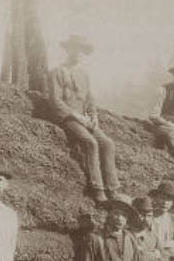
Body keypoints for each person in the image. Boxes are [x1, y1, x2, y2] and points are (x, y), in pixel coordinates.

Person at [48, 35, 120, 204]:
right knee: (90, 143)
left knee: (108, 144)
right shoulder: (57, 72)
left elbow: (89, 99)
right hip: (67, 117)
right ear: (68, 50)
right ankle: (98, 189)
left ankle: (113, 188)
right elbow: (55, 101)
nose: (78, 54)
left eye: (81, 51)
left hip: (85, 118)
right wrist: (77, 116)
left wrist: (94, 117)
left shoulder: (84, 74)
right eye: (75, 49)